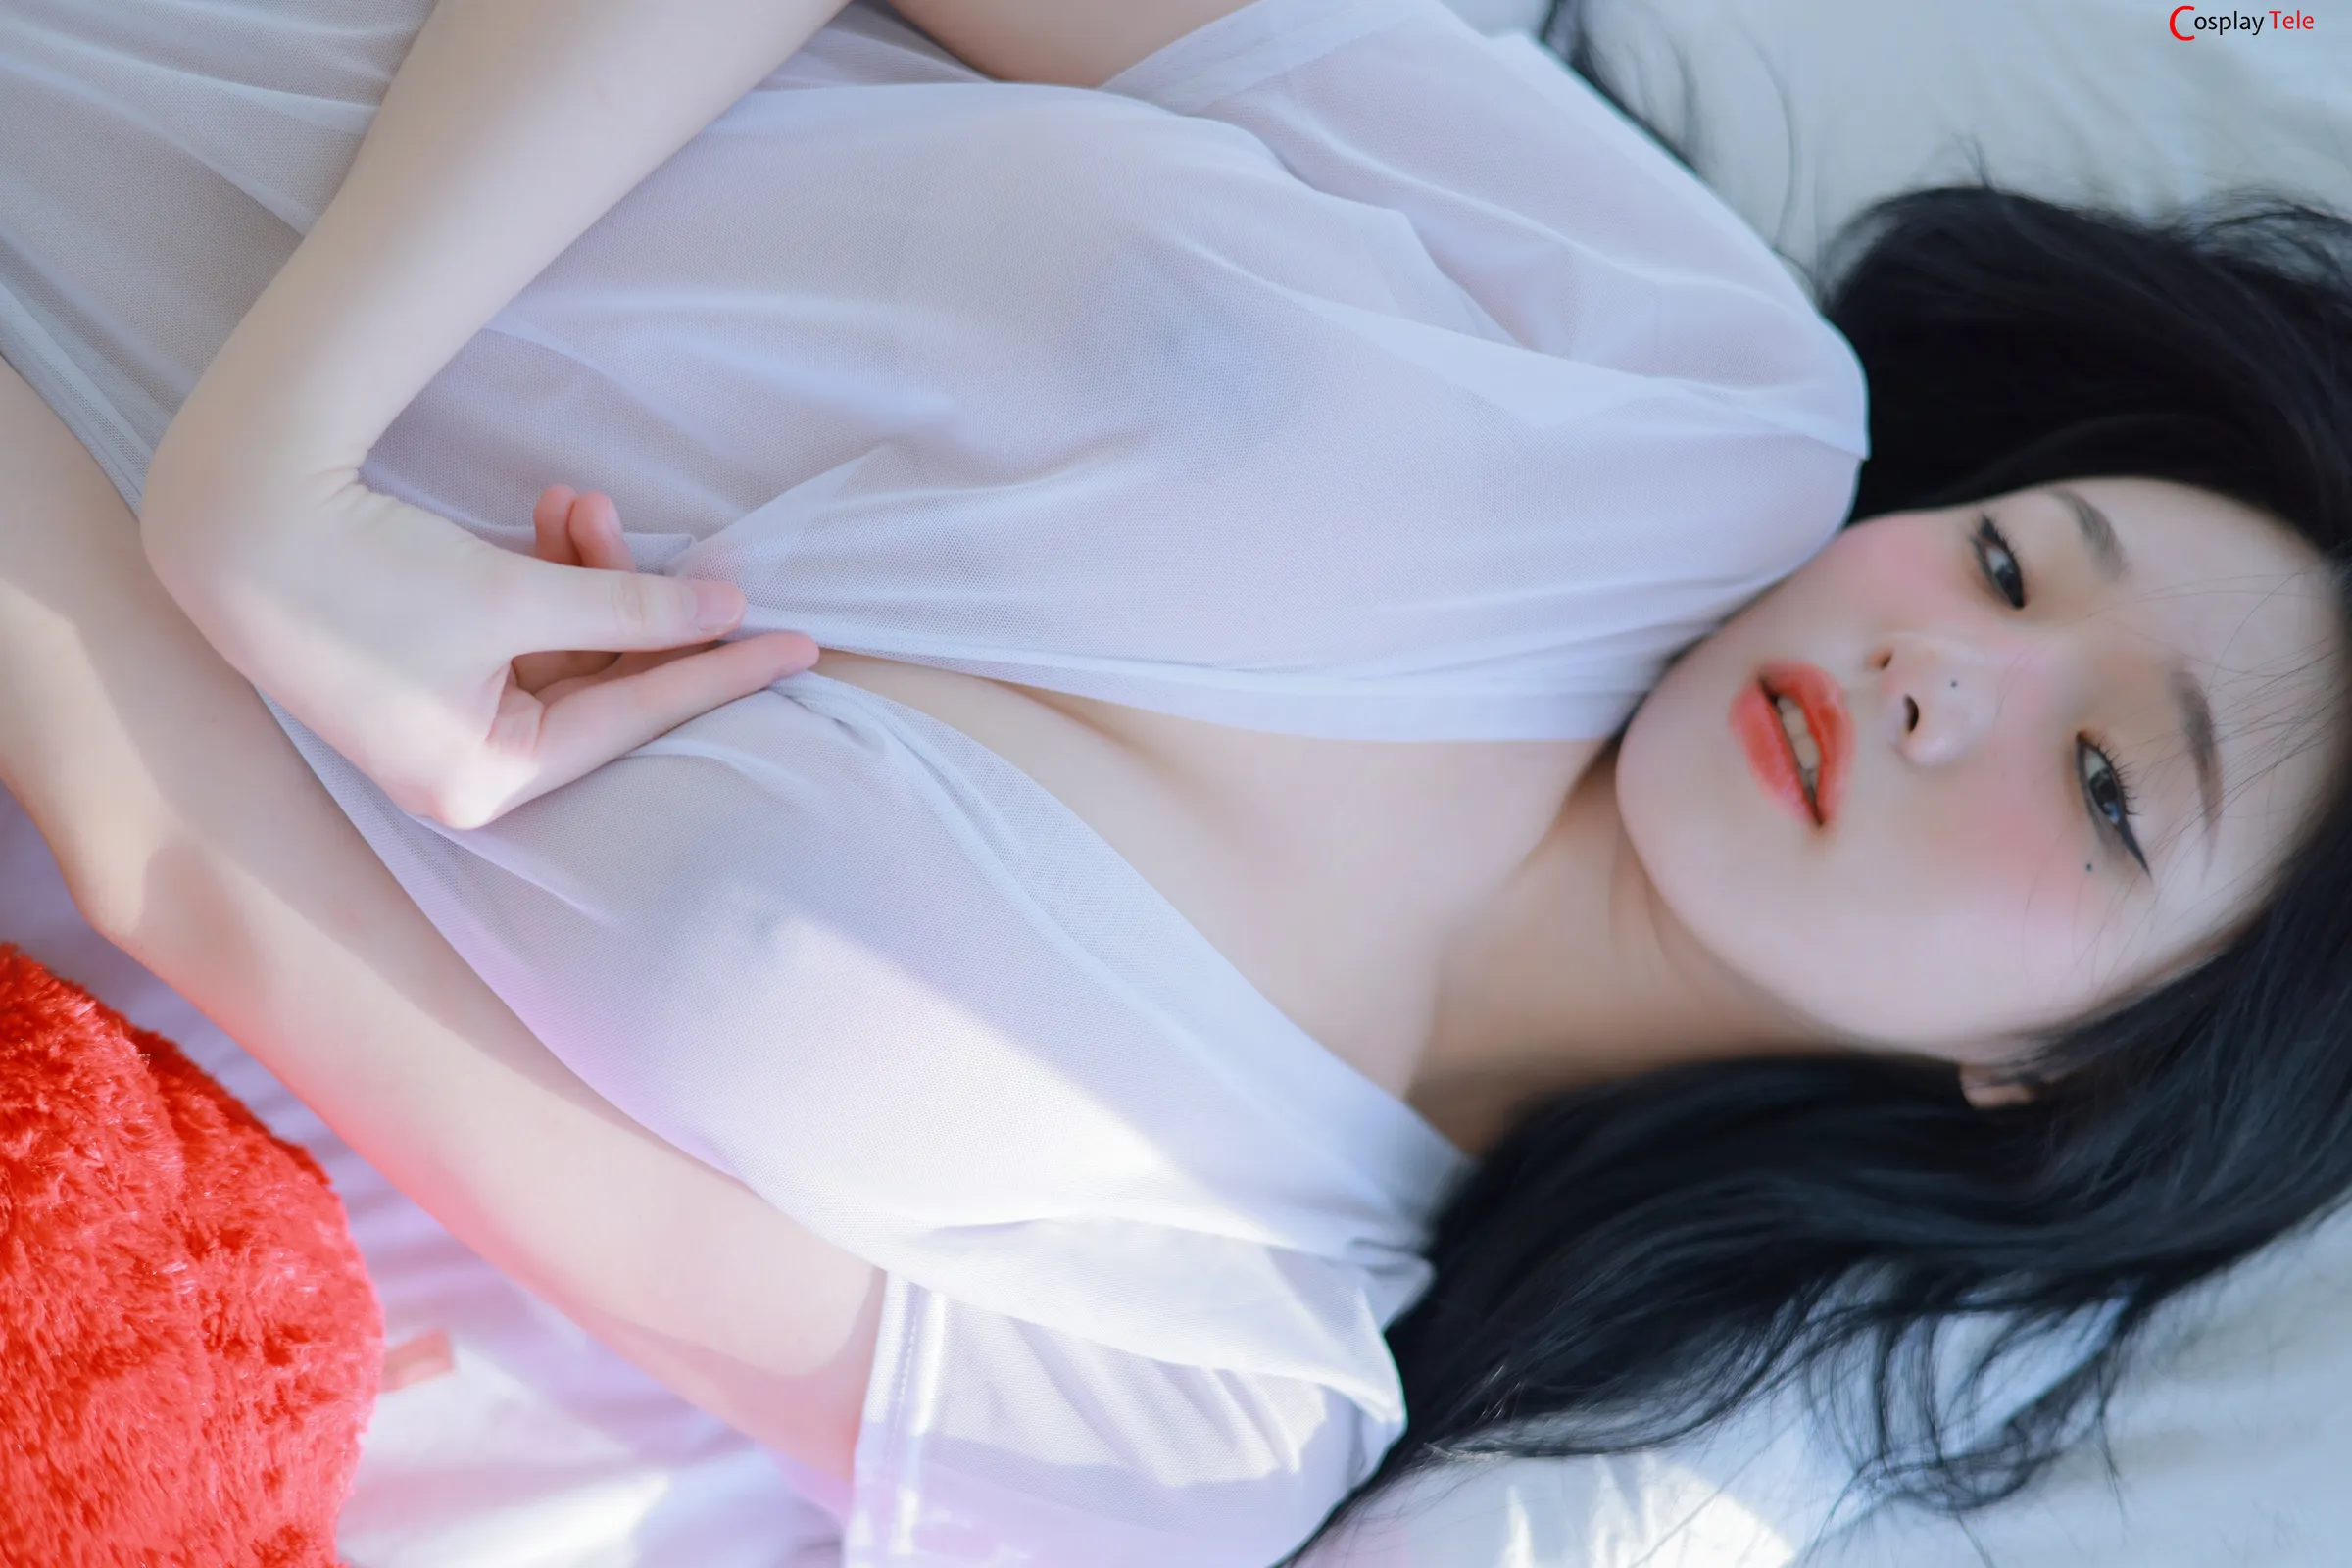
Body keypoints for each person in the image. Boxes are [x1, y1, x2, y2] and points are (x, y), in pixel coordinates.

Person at [2, 1, 2349, 1564]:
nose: (1946, 669)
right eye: (2015, 558)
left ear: (2066, 1073)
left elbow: (199, 875)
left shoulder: (1207, 1397)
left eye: (2107, 786)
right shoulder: (1692, 391)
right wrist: (276, 471)